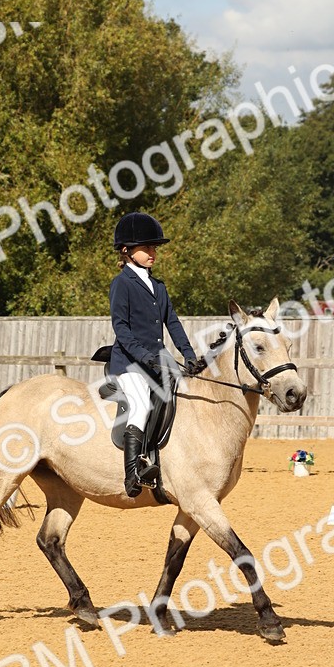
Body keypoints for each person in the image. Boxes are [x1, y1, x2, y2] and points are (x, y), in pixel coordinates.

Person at [109, 212, 198, 497]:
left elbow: (172, 322)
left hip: (158, 361)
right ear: (126, 250)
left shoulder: (158, 286)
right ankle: (133, 476)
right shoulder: (121, 284)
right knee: (140, 406)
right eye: (146, 248)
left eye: (154, 248)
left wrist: (189, 353)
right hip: (129, 363)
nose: (152, 253)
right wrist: (145, 357)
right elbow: (121, 329)